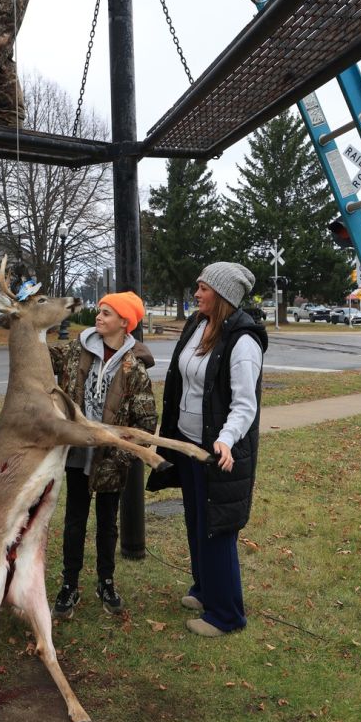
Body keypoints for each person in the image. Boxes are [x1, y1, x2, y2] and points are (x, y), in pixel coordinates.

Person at [148, 262, 268, 637]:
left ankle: (226, 615)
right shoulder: (198, 325)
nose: (196, 293)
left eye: (204, 288)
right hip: (189, 444)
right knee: (197, 521)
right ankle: (205, 590)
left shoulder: (243, 342)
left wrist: (226, 439)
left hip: (218, 450)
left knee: (218, 528)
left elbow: (245, 405)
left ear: (223, 295)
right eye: (197, 286)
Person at [49, 291, 157, 619]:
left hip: (111, 459)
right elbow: (43, 359)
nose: (99, 316)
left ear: (124, 322)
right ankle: (69, 584)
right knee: (75, 520)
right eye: (100, 311)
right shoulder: (76, 350)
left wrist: (123, 457)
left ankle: (105, 581)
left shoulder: (134, 367)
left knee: (108, 522)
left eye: (107, 313)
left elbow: (146, 420)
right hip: (78, 452)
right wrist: (27, 326)